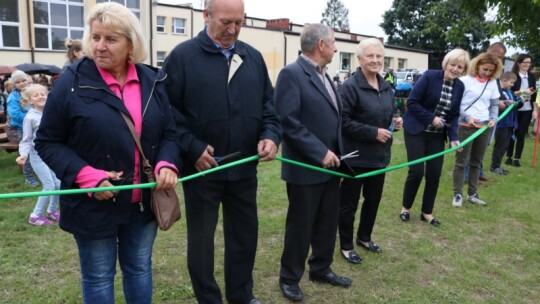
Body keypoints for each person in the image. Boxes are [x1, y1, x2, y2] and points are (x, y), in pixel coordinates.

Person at [34, 3, 179, 303]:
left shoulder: (153, 81)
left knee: (139, 269)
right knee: (98, 277)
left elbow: (169, 133)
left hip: (142, 202)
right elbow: (47, 141)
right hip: (92, 206)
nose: (99, 46)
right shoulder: (70, 84)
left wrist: (167, 163)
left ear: (130, 44)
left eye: (110, 39)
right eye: (95, 36)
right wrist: (87, 177)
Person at [162, 0, 281, 303]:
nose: (232, 29)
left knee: (244, 237)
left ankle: (241, 295)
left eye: (238, 23)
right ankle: (209, 299)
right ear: (206, 15)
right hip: (202, 170)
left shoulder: (251, 57)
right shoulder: (182, 57)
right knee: (202, 243)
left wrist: (270, 135)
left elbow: (270, 107)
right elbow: (167, 114)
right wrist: (192, 147)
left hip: (243, 167)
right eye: (225, 22)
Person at [275, 23, 351, 302]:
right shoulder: (291, 74)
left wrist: (338, 158)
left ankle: (321, 268)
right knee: (301, 225)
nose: (335, 48)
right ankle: (289, 278)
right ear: (321, 45)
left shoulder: (326, 76)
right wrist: (319, 152)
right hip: (306, 168)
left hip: (330, 167)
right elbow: (288, 122)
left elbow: (333, 121)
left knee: (327, 222)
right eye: (333, 43)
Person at [338, 38, 403, 264]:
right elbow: (343, 122)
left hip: (379, 157)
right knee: (349, 203)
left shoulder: (385, 86)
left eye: (379, 57)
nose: (375, 60)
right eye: (370, 56)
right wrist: (373, 132)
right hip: (355, 157)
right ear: (359, 59)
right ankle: (346, 245)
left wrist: (396, 119)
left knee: (373, 200)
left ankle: (364, 238)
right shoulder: (350, 87)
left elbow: (392, 110)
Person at [400, 49, 469, 226]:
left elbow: (453, 115)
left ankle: (427, 212)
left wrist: (454, 137)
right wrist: (431, 118)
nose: (455, 69)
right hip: (416, 130)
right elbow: (412, 102)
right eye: (452, 64)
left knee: (434, 174)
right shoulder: (430, 77)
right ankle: (405, 208)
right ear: (446, 63)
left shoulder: (459, 86)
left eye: (459, 66)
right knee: (416, 172)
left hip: (437, 136)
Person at [452, 52, 502, 207]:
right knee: (461, 162)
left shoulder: (492, 83)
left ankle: (472, 194)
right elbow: (456, 104)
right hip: (465, 126)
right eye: (485, 69)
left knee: (476, 162)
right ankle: (458, 194)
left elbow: (494, 104)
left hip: (484, 127)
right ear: (477, 65)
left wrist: (493, 118)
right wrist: (467, 117)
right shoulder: (464, 81)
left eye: (490, 71)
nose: (487, 73)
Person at [15, 84, 61, 226]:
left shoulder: (49, 112)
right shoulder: (30, 118)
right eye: (36, 95)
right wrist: (23, 155)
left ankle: (51, 211)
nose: (41, 96)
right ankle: (35, 215)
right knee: (49, 185)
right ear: (30, 100)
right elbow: (26, 140)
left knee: (58, 184)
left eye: (43, 94)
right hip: (37, 156)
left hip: (50, 154)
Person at [7, 70, 40, 187]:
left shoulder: (33, 91)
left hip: (37, 126)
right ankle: (29, 178)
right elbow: (15, 114)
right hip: (23, 128)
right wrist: (32, 117)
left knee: (40, 150)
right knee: (27, 152)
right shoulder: (13, 97)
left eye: (23, 80)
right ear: (14, 84)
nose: (21, 84)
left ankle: (40, 172)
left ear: (28, 80)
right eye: (18, 82)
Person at [506, 54, 537, 167]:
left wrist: (534, 110)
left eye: (529, 63)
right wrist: (523, 92)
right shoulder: (513, 76)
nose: (527, 65)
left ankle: (517, 158)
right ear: (519, 63)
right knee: (512, 132)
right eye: (525, 62)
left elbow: (534, 93)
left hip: (527, 109)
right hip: (515, 108)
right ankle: (509, 156)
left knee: (521, 134)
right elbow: (510, 92)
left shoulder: (531, 76)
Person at [490, 71, 519, 175]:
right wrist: (507, 103)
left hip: (509, 123)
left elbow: (515, 104)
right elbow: (499, 106)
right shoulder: (498, 92)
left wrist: (521, 100)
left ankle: (498, 166)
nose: (512, 85)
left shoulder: (510, 91)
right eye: (511, 82)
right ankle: (494, 167)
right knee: (500, 145)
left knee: (505, 146)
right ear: (504, 80)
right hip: (502, 123)